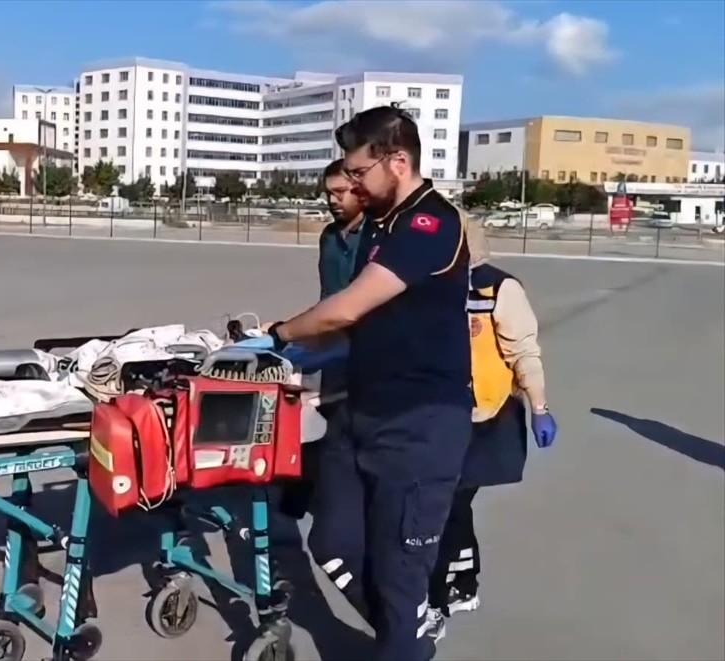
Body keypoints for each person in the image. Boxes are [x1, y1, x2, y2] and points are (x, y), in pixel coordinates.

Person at [234, 105, 472, 661]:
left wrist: (278, 334)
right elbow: (353, 320)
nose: (354, 186)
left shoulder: (429, 223)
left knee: (399, 570)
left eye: (361, 173)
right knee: (333, 540)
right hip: (362, 411)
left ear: (398, 161)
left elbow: (347, 309)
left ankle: (405, 638)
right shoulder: (382, 224)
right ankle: (406, 633)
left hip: (419, 423)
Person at [422, 219, 558, 640]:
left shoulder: (497, 288)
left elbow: (523, 350)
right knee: (441, 504)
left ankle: (446, 593)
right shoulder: (421, 284)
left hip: (482, 417)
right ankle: (454, 586)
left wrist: (539, 406)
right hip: (430, 414)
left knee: (450, 502)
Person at [279, 158, 368, 521]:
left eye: (341, 192)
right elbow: (327, 295)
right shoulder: (330, 237)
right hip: (332, 341)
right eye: (328, 193)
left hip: (367, 345)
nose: (333, 200)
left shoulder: (378, 236)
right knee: (322, 414)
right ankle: (304, 486)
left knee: (355, 423)